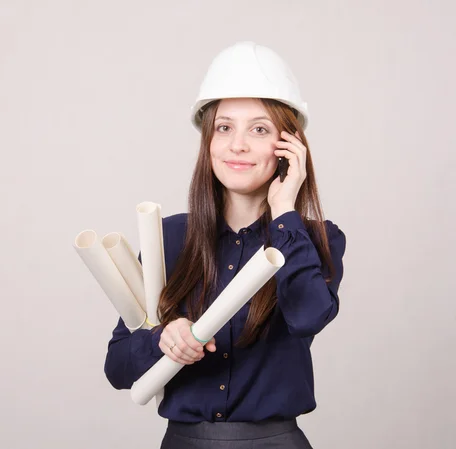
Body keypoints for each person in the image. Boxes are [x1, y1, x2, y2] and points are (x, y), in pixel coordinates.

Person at [104, 41, 347, 449]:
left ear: (288, 147)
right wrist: (162, 339)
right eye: (224, 127)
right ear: (208, 141)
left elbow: (308, 317)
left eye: (259, 129)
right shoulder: (167, 237)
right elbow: (118, 368)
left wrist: (285, 210)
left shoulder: (315, 238)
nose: (238, 145)